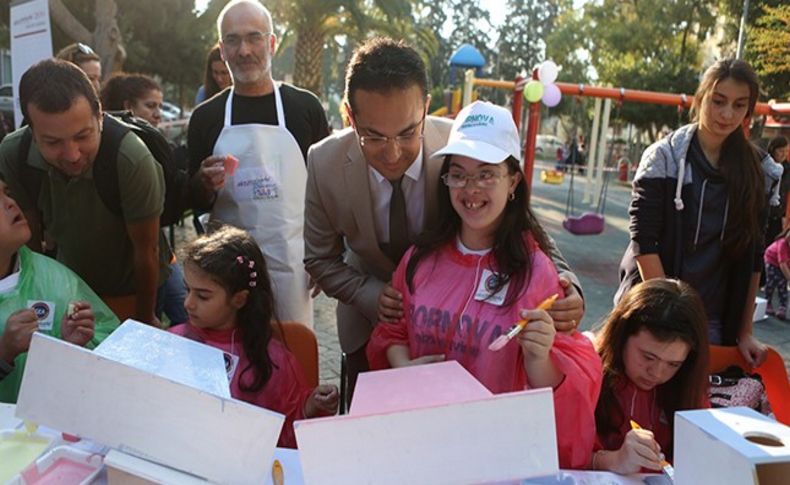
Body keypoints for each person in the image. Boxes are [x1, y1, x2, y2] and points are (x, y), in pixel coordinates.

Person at [304, 37, 585, 399]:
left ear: (424, 107)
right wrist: (371, 295)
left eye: (407, 133)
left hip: (454, 334)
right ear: (349, 116)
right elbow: (318, 258)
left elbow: (520, 219)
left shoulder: (462, 147)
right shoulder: (324, 162)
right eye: (373, 136)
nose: (392, 154)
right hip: (368, 326)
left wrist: (569, 284)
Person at [365, 101, 601, 469]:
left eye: (487, 173)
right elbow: (391, 332)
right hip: (419, 444)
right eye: (458, 174)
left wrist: (540, 357)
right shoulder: (418, 259)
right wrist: (402, 366)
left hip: (493, 457)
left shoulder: (538, 273)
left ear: (513, 182)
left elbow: (569, 387)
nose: (470, 189)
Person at [616, 58, 781, 367]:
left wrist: (744, 332)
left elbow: (753, 256)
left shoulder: (759, 170)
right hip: (655, 311)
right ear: (701, 97)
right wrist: (669, 319)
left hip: (715, 319)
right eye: (718, 101)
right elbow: (644, 243)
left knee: (696, 409)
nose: (727, 114)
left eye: (739, 105)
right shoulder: (664, 157)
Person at [188, 0, 330, 327]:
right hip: (224, 273)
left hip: (291, 266)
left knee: (291, 356)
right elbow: (191, 199)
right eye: (233, 41)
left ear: (272, 43)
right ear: (222, 50)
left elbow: (326, 190)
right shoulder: (206, 117)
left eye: (254, 38)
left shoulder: (303, 108)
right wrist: (203, 184)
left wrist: (327, 256)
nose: (244, 50)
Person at [0, 59, 169, 326]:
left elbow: (147, 250)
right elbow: (30, 246)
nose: (72, 155)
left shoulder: (130, 159)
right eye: (53, 142)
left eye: (83, 136)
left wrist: (144, 318)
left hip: (128, 290)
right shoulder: (14, 155)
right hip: (65, 290)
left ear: (100, 115)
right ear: (31, 133)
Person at [170, 225, 338, 448]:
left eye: (203, 296)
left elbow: (287, 436)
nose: (187, 303)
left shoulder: (274, 361)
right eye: (187, 289)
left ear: (239, 299)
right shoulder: (171, 343)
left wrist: (312, 405)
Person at [0, 179, 119, 402]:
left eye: (7, 193)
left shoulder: (55, 279)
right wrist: (3, 353)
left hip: (44, 432)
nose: (10, 204)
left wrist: (70, 346)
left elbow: (114, 344)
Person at [592, 279, 709, 474]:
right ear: (621, 336)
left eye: (674, 364)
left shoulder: (689, 384)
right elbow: (561, 457)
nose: (657, 373)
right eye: (648, 357)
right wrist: (615, 460)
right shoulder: (588, 372)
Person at [100, 73, 188, 326]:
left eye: (160, 106)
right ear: (128, 107)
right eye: (151, 106)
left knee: (186, 316)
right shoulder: (125, 153)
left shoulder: (149, 141)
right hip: (137, 264)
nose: (158, 113)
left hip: (160, 255)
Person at [765, 136, 790, 243]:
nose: (784, 154)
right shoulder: (765, 166)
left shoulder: (788, 169)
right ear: (772, 150)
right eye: (781, 151)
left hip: (780, 215)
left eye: (786, 151)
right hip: (764, 212)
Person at [763, 227, 790, 320]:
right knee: (771, 282)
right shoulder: (782, 243)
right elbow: (782, 263)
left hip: (785, 265)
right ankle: (767, 303)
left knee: (782, 286)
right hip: (772, 261)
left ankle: (782, 307)